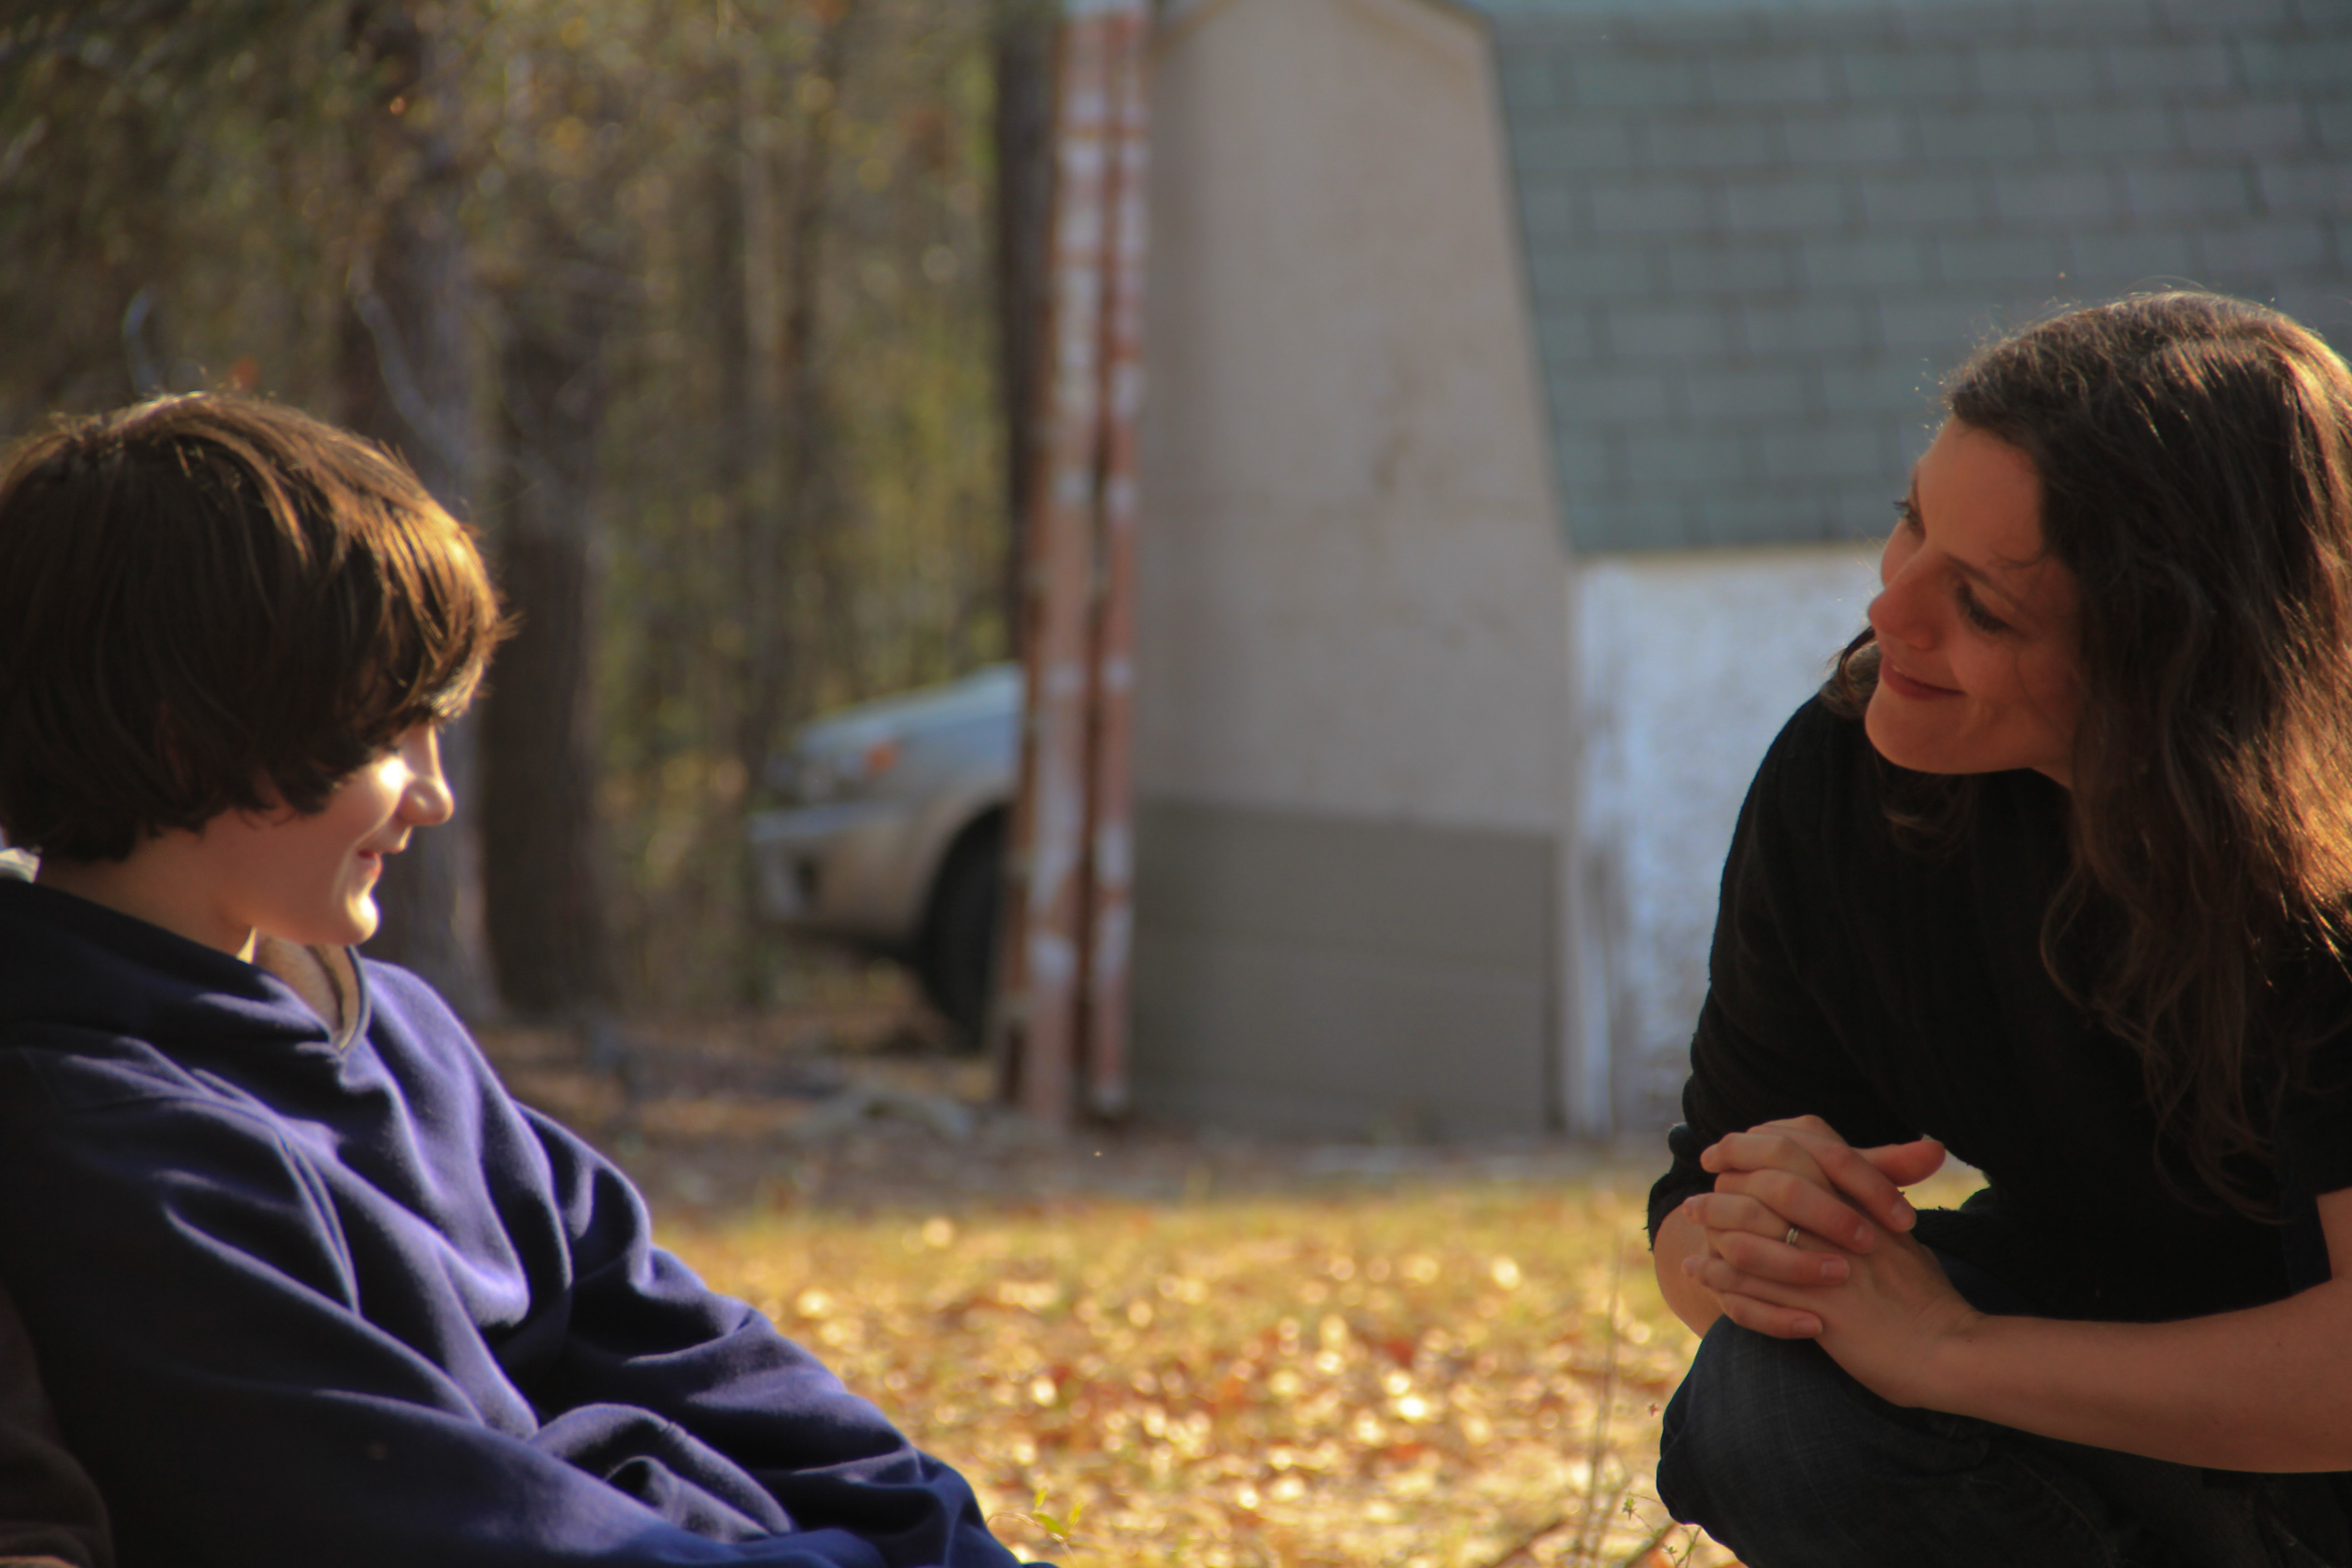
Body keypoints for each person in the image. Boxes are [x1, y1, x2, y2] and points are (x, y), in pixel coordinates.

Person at [0, 394, 1040, 1568]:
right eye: (386, 734)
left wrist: (940, 1535)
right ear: (187, 734)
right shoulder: (99, 1137)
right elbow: (419, 1521)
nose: (433, 795)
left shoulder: (401, 1034)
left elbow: (674, 1337)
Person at [1648, 292, 2352, 1568]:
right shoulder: (1850, 775)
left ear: (2170, 670)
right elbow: (1698, 1199)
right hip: (2092, 1374)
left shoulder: (2328, 876)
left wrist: (1952, 1354)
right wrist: (1755, 1241)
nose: (1892, 615)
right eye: (1912, 521)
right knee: (1765, 1402)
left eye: (1982, 605)